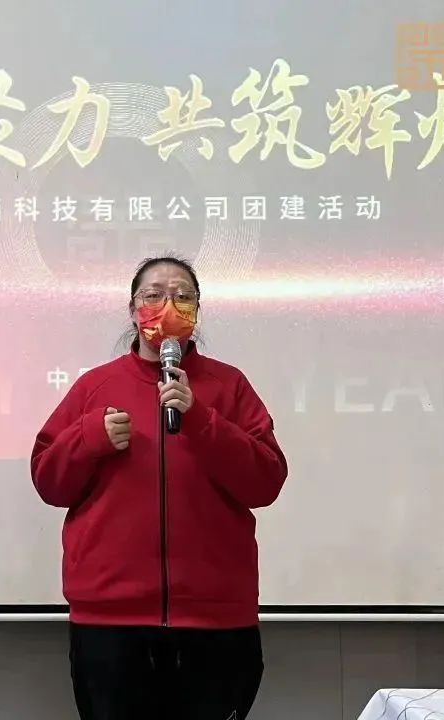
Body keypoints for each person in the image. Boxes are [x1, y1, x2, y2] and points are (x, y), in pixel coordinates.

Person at [30, 255, 289, 720]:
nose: (167, 306)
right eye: (153, 295)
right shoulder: (95, 386)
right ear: (133, 309)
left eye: (182, 296)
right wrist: (89, 438)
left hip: (215, 619)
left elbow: (266, 481)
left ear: (197, 311)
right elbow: (48, 481)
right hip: (110, 620)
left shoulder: (229, 385)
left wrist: (202, 420)